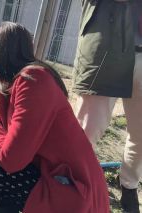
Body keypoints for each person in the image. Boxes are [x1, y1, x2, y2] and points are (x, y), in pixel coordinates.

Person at [0, 22, 109, 213]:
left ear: (0, 55)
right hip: (59, 182)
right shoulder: (22, 82)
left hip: (76, 197)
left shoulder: (33, 81)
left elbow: (11, 159)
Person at [73, 0, 142, 212]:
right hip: (104, 46)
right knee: (86, 130)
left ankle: (129, 186)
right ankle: (70, 187)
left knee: (141, 134)